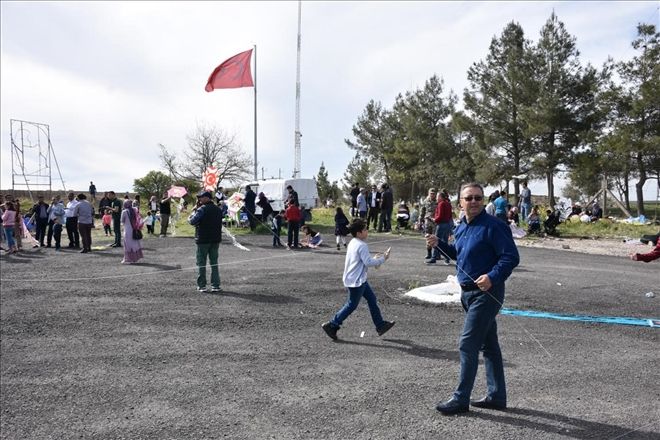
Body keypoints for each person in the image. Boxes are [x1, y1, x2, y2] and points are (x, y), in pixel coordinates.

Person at [427, 182, 519, 415]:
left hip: (487, 293)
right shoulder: (461, 227)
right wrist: (440, 246)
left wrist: (492, 276)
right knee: (489, 345)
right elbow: (459, 255)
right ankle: (497, 396)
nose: (474, 202)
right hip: (466, 292)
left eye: (478, 198)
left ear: (484, 200)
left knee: (468, 344)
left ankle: (461, 399)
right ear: (461, 202)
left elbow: (510, 257)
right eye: (469, 198)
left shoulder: (495, 226)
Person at [321, 218, 395, 340]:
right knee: (351, 305)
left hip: (357, 279)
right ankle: (332, 324)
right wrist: (383, 258)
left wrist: (374, 259)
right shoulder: (362, 245)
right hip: (356, 281)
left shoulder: (353, 242)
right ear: (359, 233)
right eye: (365, 229)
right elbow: (368, 262)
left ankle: (380, 325)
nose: (367, 231)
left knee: (372, 300)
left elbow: (364, 261)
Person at [188, 191, 223, 292]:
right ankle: (215, 285)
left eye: (201, 197)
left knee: (201, 263)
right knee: (214, 263)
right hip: (215, 239)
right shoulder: (218, 209)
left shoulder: (201, 209)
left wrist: (191, 215)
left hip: (203, 239)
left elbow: (192, 221)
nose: (200, 199)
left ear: (207, 198)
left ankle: (202, 285)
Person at [431, 191, 453, 265]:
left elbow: (440, 216)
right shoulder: (448, 204)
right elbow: (450, 215)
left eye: (437, 196)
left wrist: (434, 219)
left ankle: (434, 258)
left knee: (436, 240)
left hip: (441, 224)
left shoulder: (441, 204)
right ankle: (447, 258)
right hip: (447, 224)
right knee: (445, 242)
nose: (436, 198)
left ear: (440, 197)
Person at [120, 199, 144, 264]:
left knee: (127, 245)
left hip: (127, 231)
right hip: (134, 229)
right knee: (134, 244)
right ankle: (135, 258)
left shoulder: (124, 212)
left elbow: (122, 221)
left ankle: (127, 259)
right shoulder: (135, 210)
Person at [420, 188, 438, 263]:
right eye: (431, 193)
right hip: (427, 220)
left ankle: (436, 254)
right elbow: (422, 210)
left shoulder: (438, 202)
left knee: (435, 237)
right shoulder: (426, 201)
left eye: (433, 194)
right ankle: (429, 253)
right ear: (428, 193)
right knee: (428, 236)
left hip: (435, 221)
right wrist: (420, 219)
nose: (432, 195)